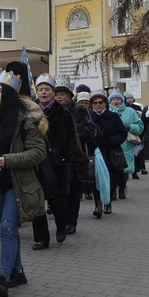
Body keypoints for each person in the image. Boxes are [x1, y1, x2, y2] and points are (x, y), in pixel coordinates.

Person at [0, 71, 46, 297]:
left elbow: (38, 152)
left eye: (2, 91)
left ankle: (3, 279)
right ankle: (18, 272)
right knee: (8, 228)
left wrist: (9, 160)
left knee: (7, 229)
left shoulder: (26, 121)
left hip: (17, 184)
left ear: (12, 96)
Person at [31, 73, 83, 249]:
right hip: (35, 162)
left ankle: (61, 225)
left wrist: (77, 161)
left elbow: (72, 140)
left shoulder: (64, 114)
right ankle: (41, 238)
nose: (43, 92)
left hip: (57, 162)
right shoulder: (31, 112)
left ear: (53, 92)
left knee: (58, 199)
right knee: (36, 200)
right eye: (40, 89)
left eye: (47, 89)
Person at [53, 78, 95, 233]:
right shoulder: (50, 111)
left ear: (69, 96)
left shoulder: (79, 110)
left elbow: (91, 130)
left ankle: (72, 221)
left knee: (73, 191)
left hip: (74, 156)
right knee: (58, 193)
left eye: (62, 94)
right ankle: (61, 221)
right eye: (56, 94)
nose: (59, 97)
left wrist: (72, 134)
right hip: (56, 157)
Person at [89, 93, 127, 215]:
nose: (98, 105)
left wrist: (111, 141)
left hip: (111, 153)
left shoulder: (114, 116)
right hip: (95, 153)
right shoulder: (89, 118)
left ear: (105, 103)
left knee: (111, 179)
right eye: (95, 103)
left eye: (100, 102)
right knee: (95, 180)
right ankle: (98, 205)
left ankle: (108, 202)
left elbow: (122, 133)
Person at [108, 92, 143, 198]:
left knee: (124, 169)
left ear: (122, 100)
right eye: (113, 100)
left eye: (118, 99)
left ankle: (122, 188)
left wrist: (130, 127)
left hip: (126, 144)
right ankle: (112, 190)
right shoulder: (107, 112)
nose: (116, 101)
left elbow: (140, 126)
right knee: (112, 168)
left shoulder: (130, 111)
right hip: (111, 144)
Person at [123, 92, 147, 176]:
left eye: (131, 98)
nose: (130, 99)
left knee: (139, 151)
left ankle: (141, 167)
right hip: (128, 136)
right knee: (132, 153)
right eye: (128, 98)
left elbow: (141, 120)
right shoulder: (123, 109)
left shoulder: (137, 107)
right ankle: (134, 171)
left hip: (136, 134)